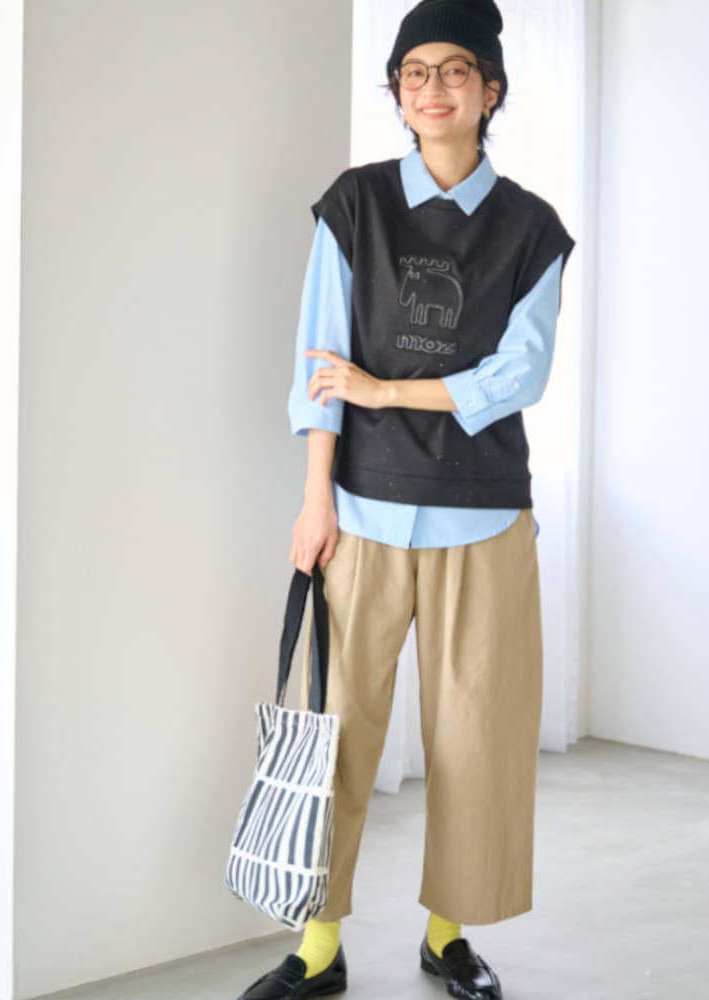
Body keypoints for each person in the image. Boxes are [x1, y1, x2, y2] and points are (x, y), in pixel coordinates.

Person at [237, 1, 575, 997]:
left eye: (455, 70)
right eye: (413, 72)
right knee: (336, 733)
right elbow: (319, 360)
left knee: (477, 738)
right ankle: (317, 948)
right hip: (361, 513)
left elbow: (520, 375)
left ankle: (446, 936)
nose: (433, 89)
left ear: (491, 90)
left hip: (485, 518)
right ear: (396, 91)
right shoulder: (356, 206)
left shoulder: (532, 230)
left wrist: (386, 391)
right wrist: (314, 499)